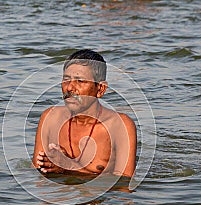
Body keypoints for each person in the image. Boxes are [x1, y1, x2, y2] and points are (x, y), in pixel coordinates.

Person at [32, 49, 137, 177]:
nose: (69, 88)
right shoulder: (50, 117)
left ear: (100, 89)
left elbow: (124, 184)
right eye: (66, 80)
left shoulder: (120, 125)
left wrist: (66, 167)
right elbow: (36, 173)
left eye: (80, 81)